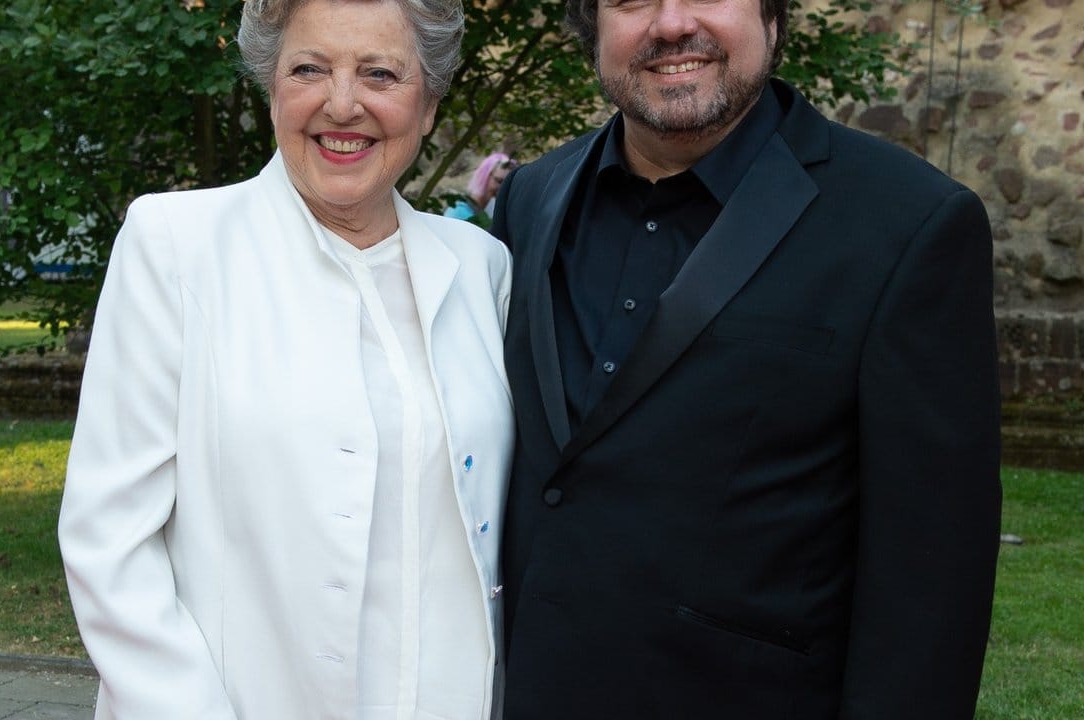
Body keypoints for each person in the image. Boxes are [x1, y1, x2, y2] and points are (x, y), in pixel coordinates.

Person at [490, 0, 1002, 717]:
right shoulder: (531, 199)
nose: (671, 24)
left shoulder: (907, 226)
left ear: (772, 15)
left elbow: (932, 584)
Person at [57, 0, 514, 717]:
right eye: (309, 68)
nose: (342, 103)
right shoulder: (177, 245)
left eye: (380, 73)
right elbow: (109, 541)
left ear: (427, 104)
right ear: (270, 87)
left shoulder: (481, 267)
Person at [443, 152, 515, 224]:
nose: (503, 188)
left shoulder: (488, 212)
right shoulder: (458, 210)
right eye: (499, 181)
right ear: (485, 176)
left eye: (507, 184)